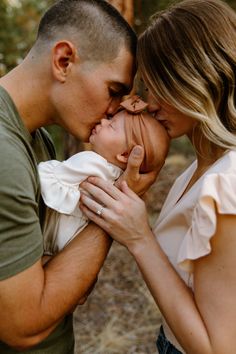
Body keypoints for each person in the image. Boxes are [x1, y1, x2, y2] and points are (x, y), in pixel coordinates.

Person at [0, 1, 158, 353]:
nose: (116, 109)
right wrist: (114, 206)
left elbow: (65, 277)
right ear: (64, 61)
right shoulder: (4, 158)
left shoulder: (34, 137)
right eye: (114, 90)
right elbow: (25, 326)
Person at [79, 0, 236, 353]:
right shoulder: (199, 170)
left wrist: (140, 239)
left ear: (195, 80)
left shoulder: (226, 185)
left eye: (157, 87)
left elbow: (217, 348)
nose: (149, 104)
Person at [38, 96, 169, 256]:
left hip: (52, 233)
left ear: (124, 154)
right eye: (110, 119)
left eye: (111, 126)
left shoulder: (91, 162)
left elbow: (46, 178)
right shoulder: (116, 177)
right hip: (71, 246)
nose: (103, 122)